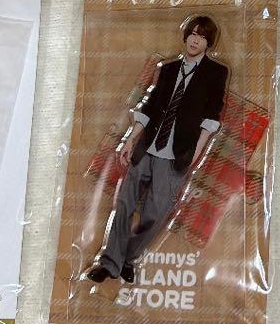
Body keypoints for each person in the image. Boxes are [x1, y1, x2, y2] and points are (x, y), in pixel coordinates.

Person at [86, 16, 228, 284]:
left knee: (155, 213)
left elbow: (212, 115)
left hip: (176, 154)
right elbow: (150, 106)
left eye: (202, 37)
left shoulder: (216, 72)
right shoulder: (169, 68)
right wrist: (131, 140)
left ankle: (128, 258)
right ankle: (109, 263)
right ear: (186, 36)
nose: (195, 40)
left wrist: (196, 153)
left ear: (208, 43)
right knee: (124, 204)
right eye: (192, 34)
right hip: (147, 147)